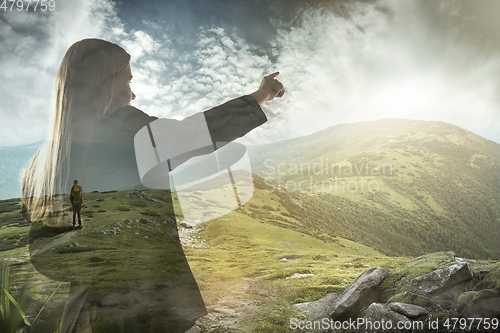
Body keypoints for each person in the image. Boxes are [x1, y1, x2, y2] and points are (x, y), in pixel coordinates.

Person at [21, 38, 284, 333]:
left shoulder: (40, 165)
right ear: (104, 82)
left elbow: (43, 256)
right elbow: (193, 134)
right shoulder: (124, 131)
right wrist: (260, 95)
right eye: (127, 80)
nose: (132, 94)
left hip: (81, 313)